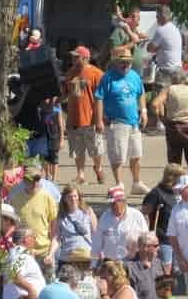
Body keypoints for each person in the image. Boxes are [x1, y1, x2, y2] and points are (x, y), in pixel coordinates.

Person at [94, 46, 148, 195]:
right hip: (116, 122)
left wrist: (143, 110)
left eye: (129, 62)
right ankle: (119, 183)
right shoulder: (107, 77)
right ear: (116, 62)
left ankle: (136, 182)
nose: (126, 65)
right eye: (123, 62)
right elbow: (98, 98)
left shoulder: (134, 76)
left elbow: (141, 93)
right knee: (118, 156)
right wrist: (98, 120)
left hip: (134, 122)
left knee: (136, 154)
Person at [150, 68, 188, 179]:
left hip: (173, 126)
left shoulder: (169, 89)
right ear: (185, 79)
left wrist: (162, 119)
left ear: (172, 79)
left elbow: (155, 104)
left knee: (174, 161)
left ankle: (174, 186)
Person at [63, 45, 105, 185]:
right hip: (74, 118)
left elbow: (102, 97)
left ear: (86, 58)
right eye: (73, 56)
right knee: (77, 149)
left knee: (95, 149)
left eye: (77, 56)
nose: (74, 59)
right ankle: (80, 174)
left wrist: (100, 120)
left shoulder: (97, 73)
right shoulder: (70, 73)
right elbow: (66, 94)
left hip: (91, 118)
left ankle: (98, 167)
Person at [9, 165, 60, 274]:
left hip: (44, 253)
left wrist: (51, 253)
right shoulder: (15, 198)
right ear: (25, 180)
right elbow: (10, 226)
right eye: (32, 180)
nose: (35, 183)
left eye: (38, 179)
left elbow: (54, 229)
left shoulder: (47, 198)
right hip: (22, 253)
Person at [92, 186, 146, 263]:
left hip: (132, 262)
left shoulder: (137, 216)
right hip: (110, 262)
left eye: (114, 203)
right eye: (110, 203)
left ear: (123, 201)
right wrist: (94, 264)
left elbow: (146, 240)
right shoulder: (105, 217)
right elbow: (96, 244)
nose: (111, 205)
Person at [55, 184, 97, 263]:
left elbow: (96, 233)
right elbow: (56, 238)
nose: (73, 199)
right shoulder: (61, 216)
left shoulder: (88, 211)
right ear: (65, 199)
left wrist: (98, 251)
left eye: (75, 196)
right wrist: (50, 254)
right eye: (70, 197)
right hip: (67, 257)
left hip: (86, 255)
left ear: (79, 197)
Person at [142, 164, 182, 236]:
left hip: (180, 236)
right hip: (163, 239)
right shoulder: (156, 193)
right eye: (181, 177)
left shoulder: (180, 193)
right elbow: (143, 214)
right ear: (173, 178)